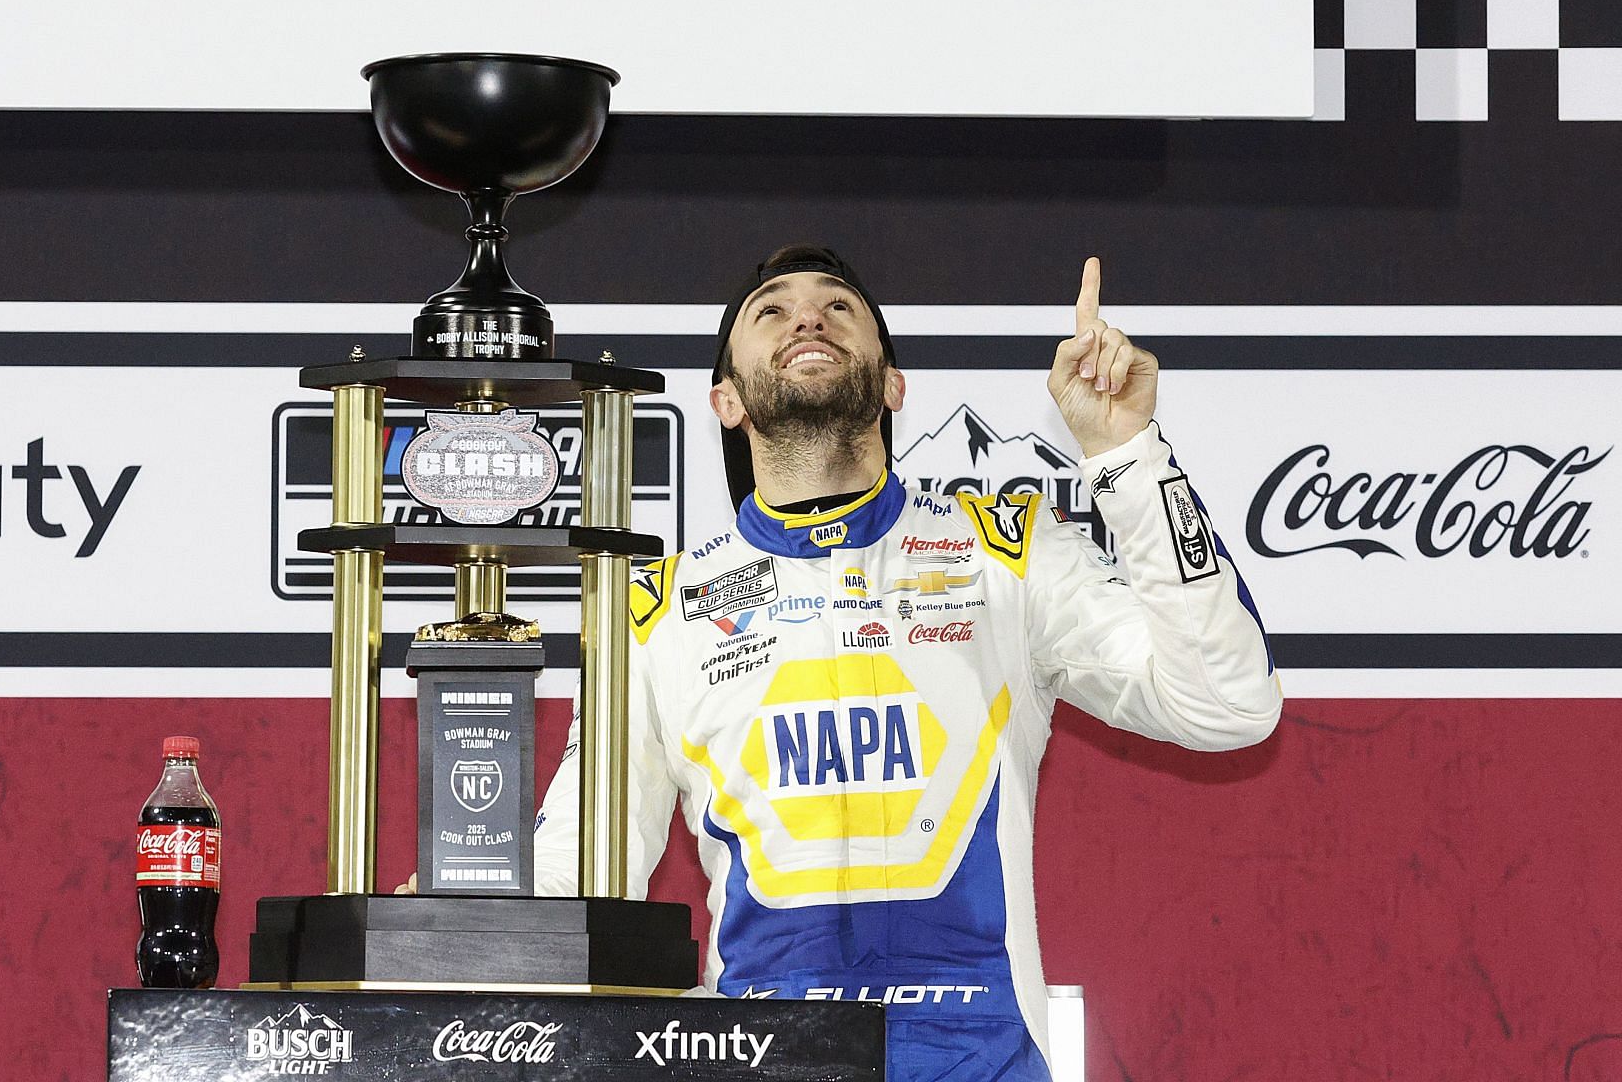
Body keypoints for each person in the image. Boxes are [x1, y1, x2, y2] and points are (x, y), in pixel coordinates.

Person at [531, 243, 1281, 1081]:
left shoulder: (1004, 551)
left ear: (893, 384)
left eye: (838, 307)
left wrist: (1128, 454)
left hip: (988, 1060)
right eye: (771, 310)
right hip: (756, 1064)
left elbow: (1228, 703)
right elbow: (579, 874)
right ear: (726, 400)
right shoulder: (658, 609)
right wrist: (462, 915)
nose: (807, 316)